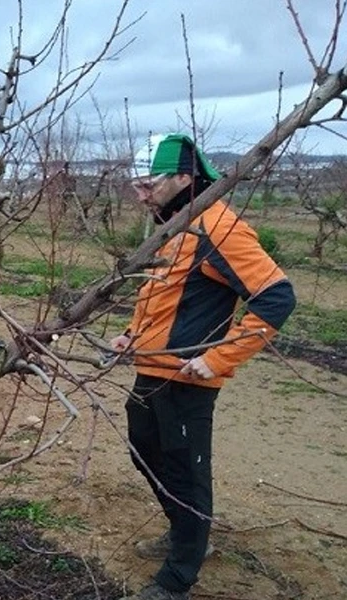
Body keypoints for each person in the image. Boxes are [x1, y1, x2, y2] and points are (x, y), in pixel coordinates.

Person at [111, 134, 296, 600]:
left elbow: (277, 296)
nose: (140, 194)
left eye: (148, 183)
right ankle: (183, 532)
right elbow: (163, 292)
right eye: (135, 184)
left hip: (189, 379)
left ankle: (178, 578)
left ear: (184, 178)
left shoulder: (219, 227)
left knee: (187, 470)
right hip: (151, 370)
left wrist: (216, 360)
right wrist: (132, 333)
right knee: (143, 449)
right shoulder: (176, 223)